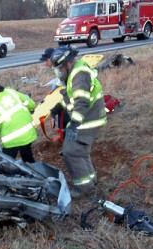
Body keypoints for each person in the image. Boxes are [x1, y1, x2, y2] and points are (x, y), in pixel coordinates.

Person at [50, 45, 107, 198]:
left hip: (89, 118)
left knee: (71, 152)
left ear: (69, 63)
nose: (59, 72)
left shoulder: (79, 74)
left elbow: (81, 102)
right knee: (80, 150)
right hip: (89, 116)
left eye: (61, 68)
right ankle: (91, 180)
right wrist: (57, 108)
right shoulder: (75, 72)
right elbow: (72, 97)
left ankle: (84, 188)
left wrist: (73, 126)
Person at [0, 84, 37, 163]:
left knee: (7, 162)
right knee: (27, 155)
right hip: (28, 132)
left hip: (11, 139)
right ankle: (34, 171)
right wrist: (31, 109)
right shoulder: (11, 92)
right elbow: (31, 104)